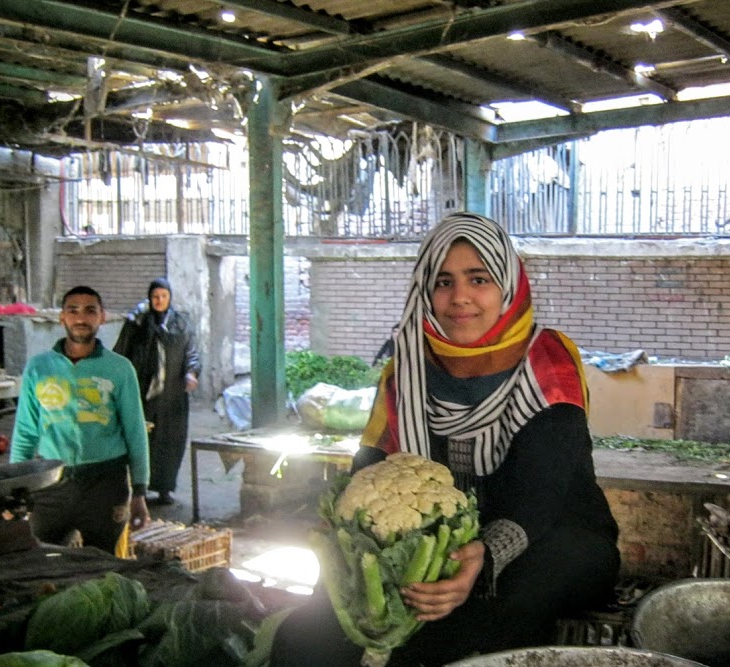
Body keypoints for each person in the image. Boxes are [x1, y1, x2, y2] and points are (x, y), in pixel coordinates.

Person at [271, 212, 621, 666]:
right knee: (308, 633)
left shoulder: (548, 363)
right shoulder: (409, 365)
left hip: (551, 535)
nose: (460, 298)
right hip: (434, 541)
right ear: (425, 290)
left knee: (496, 607)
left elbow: (543, 492)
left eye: (479, 279)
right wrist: (345, 528)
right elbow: (372, 463)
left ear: (507, 285)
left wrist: (485, 557)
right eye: (442, 282)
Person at [10, 285, 151, 553]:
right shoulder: (39, 368)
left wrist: (140, 491)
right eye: (73, 311)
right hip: (49, 485)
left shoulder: (119, 369)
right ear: (62, 318)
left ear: (102, 317)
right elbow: (26, 432)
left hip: (106, 484)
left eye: (90, 311)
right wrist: (16, 490)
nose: (81, 318)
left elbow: (135, 432)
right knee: (44, 563)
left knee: (104, 566)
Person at [113, 277, 201, 506]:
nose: (159, 301)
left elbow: (191, 352)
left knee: (170, 442)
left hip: (172, 395)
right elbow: (121, 352)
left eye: (164, 296)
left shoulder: (181, 323)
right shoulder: (138, 323)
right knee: (140, 440)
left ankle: (164, 488)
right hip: (142, 393)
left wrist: (191, 372)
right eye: (155, 297)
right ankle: (137, 488)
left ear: (170, 298)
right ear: (149, 298)